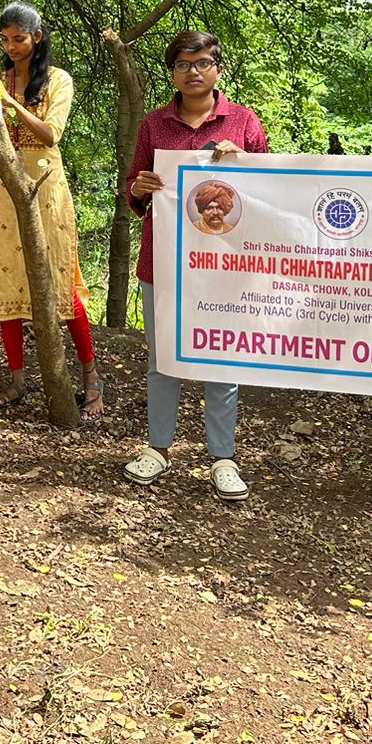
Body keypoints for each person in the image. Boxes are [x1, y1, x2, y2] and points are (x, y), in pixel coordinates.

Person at [120, 29, 269, 503]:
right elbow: (133, 192)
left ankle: (222, 457)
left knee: (223, 357)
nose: (194, 72)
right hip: (164, 261)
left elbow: (275, 190)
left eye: (202, 62)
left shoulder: (243, 122)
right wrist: (140, 188)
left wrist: (245, 161)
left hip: (226, 268)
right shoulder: (153, 125)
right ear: (172, 72)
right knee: (164, 357)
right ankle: (158, 448)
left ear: (218, 68)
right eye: (183, 64)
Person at [0, 2, 104, 419]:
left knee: (60, 282)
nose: (12, 46)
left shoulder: (57, 80)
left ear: (38, 37)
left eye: (20, 38)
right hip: (2, 185)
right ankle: (17, 381)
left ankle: (90, 379)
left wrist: (9, 104)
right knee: (3, 282)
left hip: (44, 187)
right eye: (6, 39)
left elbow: (51, 134)